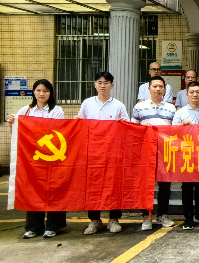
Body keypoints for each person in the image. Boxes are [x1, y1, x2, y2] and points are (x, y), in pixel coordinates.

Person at [9, 80, 66, 239]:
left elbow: (55, 132)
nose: (42, 94)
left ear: (50, 93)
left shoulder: (56, 110)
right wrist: (12, 124)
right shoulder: (25, 111)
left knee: (54, 190)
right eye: (39, 90)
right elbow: (18, 134)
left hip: (53, 158)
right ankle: (34, 227)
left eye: (45, 90)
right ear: (33, 92)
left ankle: (53, 226)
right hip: (31, 160)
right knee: (33, 190)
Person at [76, 71, 129, 235]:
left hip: (113, 153)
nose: (102, 86)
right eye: (99, 82)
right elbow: (79, 125)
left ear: (112, 86)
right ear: (95, 85)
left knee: (114, 185)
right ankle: (94, 220)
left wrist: (123, 124)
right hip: (93, 153)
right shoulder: (87, 104)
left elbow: (128, 127)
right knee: (93, 186)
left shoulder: (118, 105)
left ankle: (114, 219)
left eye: (106, 83)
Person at [132, 76, 176, 230]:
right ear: (149, 89)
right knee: (146, 185)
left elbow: (175, 130)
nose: (158, 89)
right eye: (155, 86)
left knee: (165, 186)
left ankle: (162, 214)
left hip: (165, 152)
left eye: (161, 87)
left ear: (165, 89)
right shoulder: (139, 107)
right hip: (145, 152)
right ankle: (146, 216)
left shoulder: (171, 108)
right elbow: (133, 129)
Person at [173, 81, 199, 229]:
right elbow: (173, 133)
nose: (195, 95)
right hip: (186, 155)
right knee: (187, 187)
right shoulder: (180, 113)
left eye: (198, 92)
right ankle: (188, 217)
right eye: (192, 92)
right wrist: (182, 127)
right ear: (187, 95)